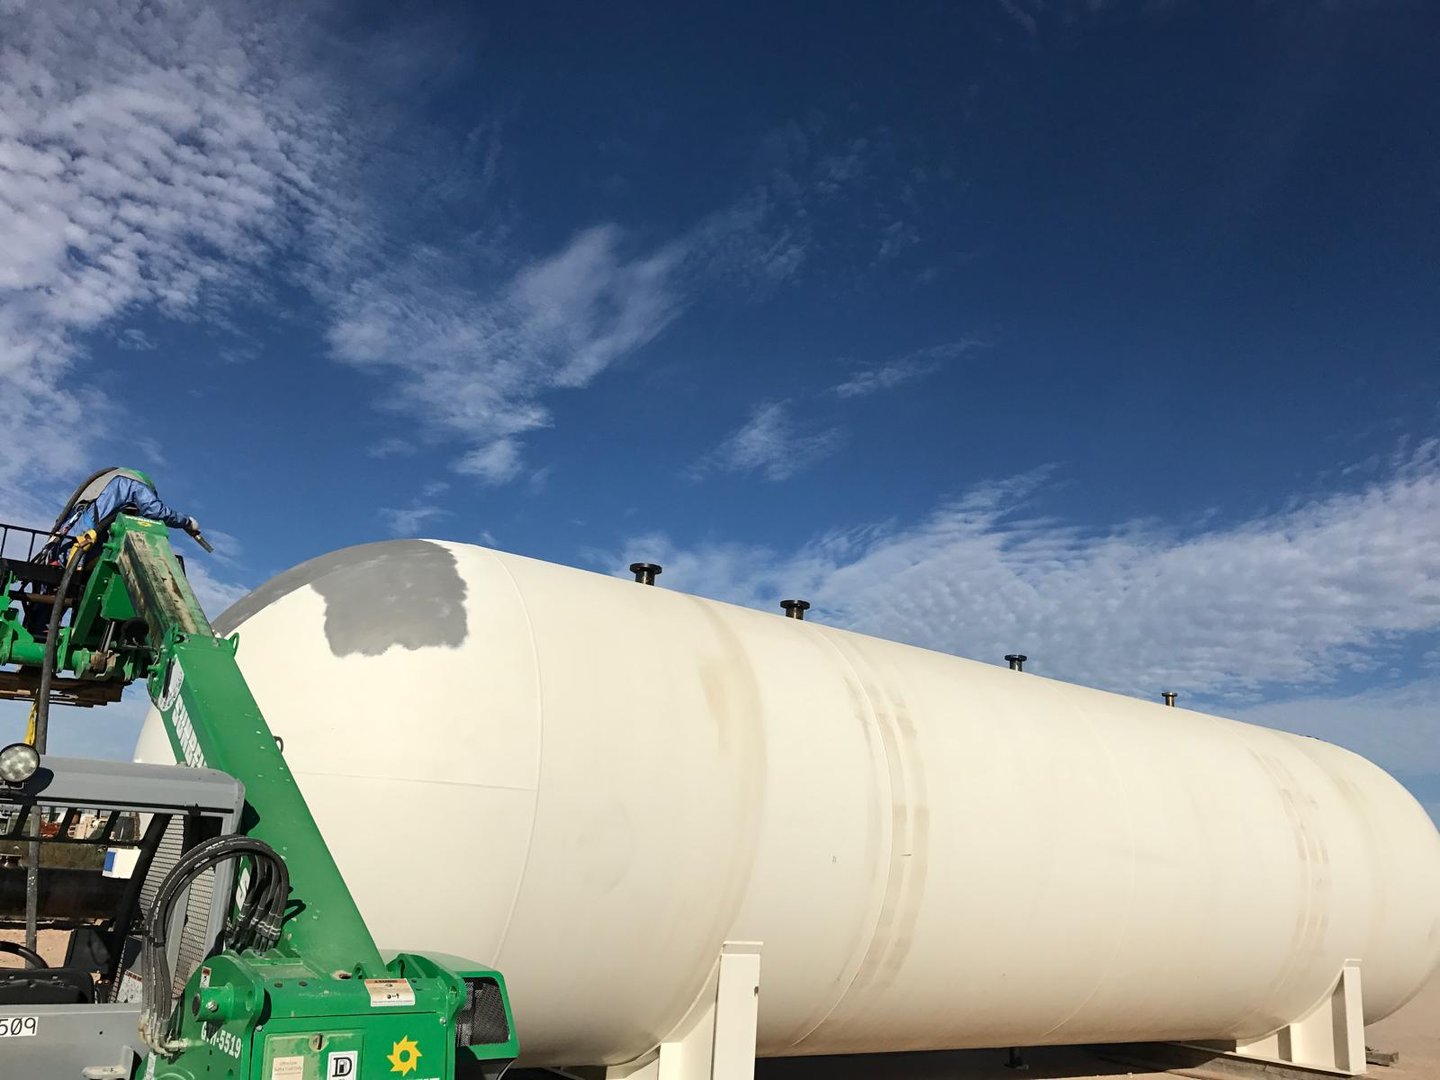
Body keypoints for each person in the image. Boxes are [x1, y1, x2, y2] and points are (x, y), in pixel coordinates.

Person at [45, 468, 201, 564]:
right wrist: (187, 522)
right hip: (84, 549)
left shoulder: (96, 491)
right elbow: (155, 510)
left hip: (61, 551)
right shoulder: (132, 484)